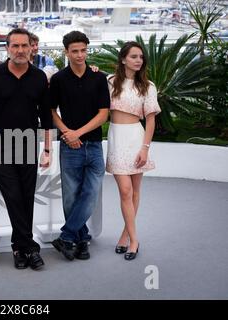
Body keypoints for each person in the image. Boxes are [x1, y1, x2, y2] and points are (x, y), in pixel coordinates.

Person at [0, 28, 53, 270]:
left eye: (25, 46)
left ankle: (18, 247)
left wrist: (47, 149)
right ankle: (30, 248)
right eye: (15, 46)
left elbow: (45, 116)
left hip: (29, 143)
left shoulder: (39, 77)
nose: (20, 50)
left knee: (26, 197)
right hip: (0, 145)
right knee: (13, 196)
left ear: (32, 47)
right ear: (7, 48)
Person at [50, 31, 109, 261]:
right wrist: (67, 133)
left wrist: (78, 133)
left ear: (87, 50)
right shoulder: (58, 79)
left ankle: (66, 235)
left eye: (83, 50)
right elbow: (51, 111)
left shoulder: (99, 77)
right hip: (69, 146)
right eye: (74, 51)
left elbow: (103, 114)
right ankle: (81, 240)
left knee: (91, 194)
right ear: (66, 52)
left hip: (93, 145)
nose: (79, 55)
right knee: (71, 197)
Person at [106, 41, 161, 261]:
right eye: (134, 56)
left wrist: (145, 148)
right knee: (125, 191)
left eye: (141, 57)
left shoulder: (148, 86)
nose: (139, 60)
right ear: (123, 59)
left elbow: (150, 122)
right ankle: (131, 236)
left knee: (134, 191)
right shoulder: (110, 82)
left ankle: (129, 238)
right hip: (116, 137)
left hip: (136, 138)